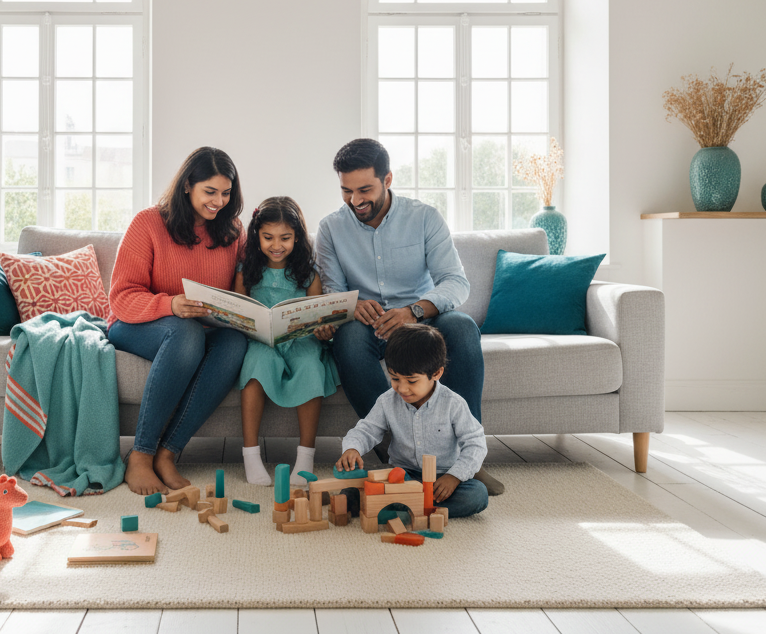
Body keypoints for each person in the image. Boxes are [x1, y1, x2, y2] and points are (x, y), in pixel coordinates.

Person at [317, 138, 504, 496]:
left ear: (388, 179)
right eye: (346, 191)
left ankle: (469, 460)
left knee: (462, 327)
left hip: (422, 320)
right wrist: (350, 306)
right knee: (349, 337)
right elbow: (331, 294)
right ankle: (396, 456)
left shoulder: (423, 217)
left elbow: (456, 283)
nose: (356, 201)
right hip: (368, 327)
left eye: (365, 189)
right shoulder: (330, 229)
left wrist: (413, 311)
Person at [108, 147, 248, 496]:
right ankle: (140, 455)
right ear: (188, 185)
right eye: (210, 192)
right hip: (136, 323)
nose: (218, 201)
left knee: (235, 343)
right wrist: (170, 304)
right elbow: (121, 296)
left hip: (201, 327)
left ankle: (168, 453)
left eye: (226, 193)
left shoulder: (233, 230)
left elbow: (239, 291)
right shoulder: (148, 222)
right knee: (185, 333)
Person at [233, 197, 339, 487]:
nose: (276, 245)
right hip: (261, 340)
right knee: (257, 365)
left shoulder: (307, 272)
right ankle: (251, 455)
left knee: (309, 366)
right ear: (256, 236)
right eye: (268, 237)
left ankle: (305, 457)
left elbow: (318, 314)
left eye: (285, 238)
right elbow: (238, 311)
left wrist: (323, 329)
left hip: (301, 340)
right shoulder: (246, 270)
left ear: (297, 238)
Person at [336, 323, 489, 518]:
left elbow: (475, 444)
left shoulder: (454, 404)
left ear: (436, 373)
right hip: (402, 475)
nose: (402, 388)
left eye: (412, 381)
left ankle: (399, 509)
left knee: (477, 495)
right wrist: (352, 448)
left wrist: (454, 476)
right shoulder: (387, 401)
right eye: (394, 378)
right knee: (362, 483)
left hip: (441, 478)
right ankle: (411, 507)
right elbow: (367, 430)